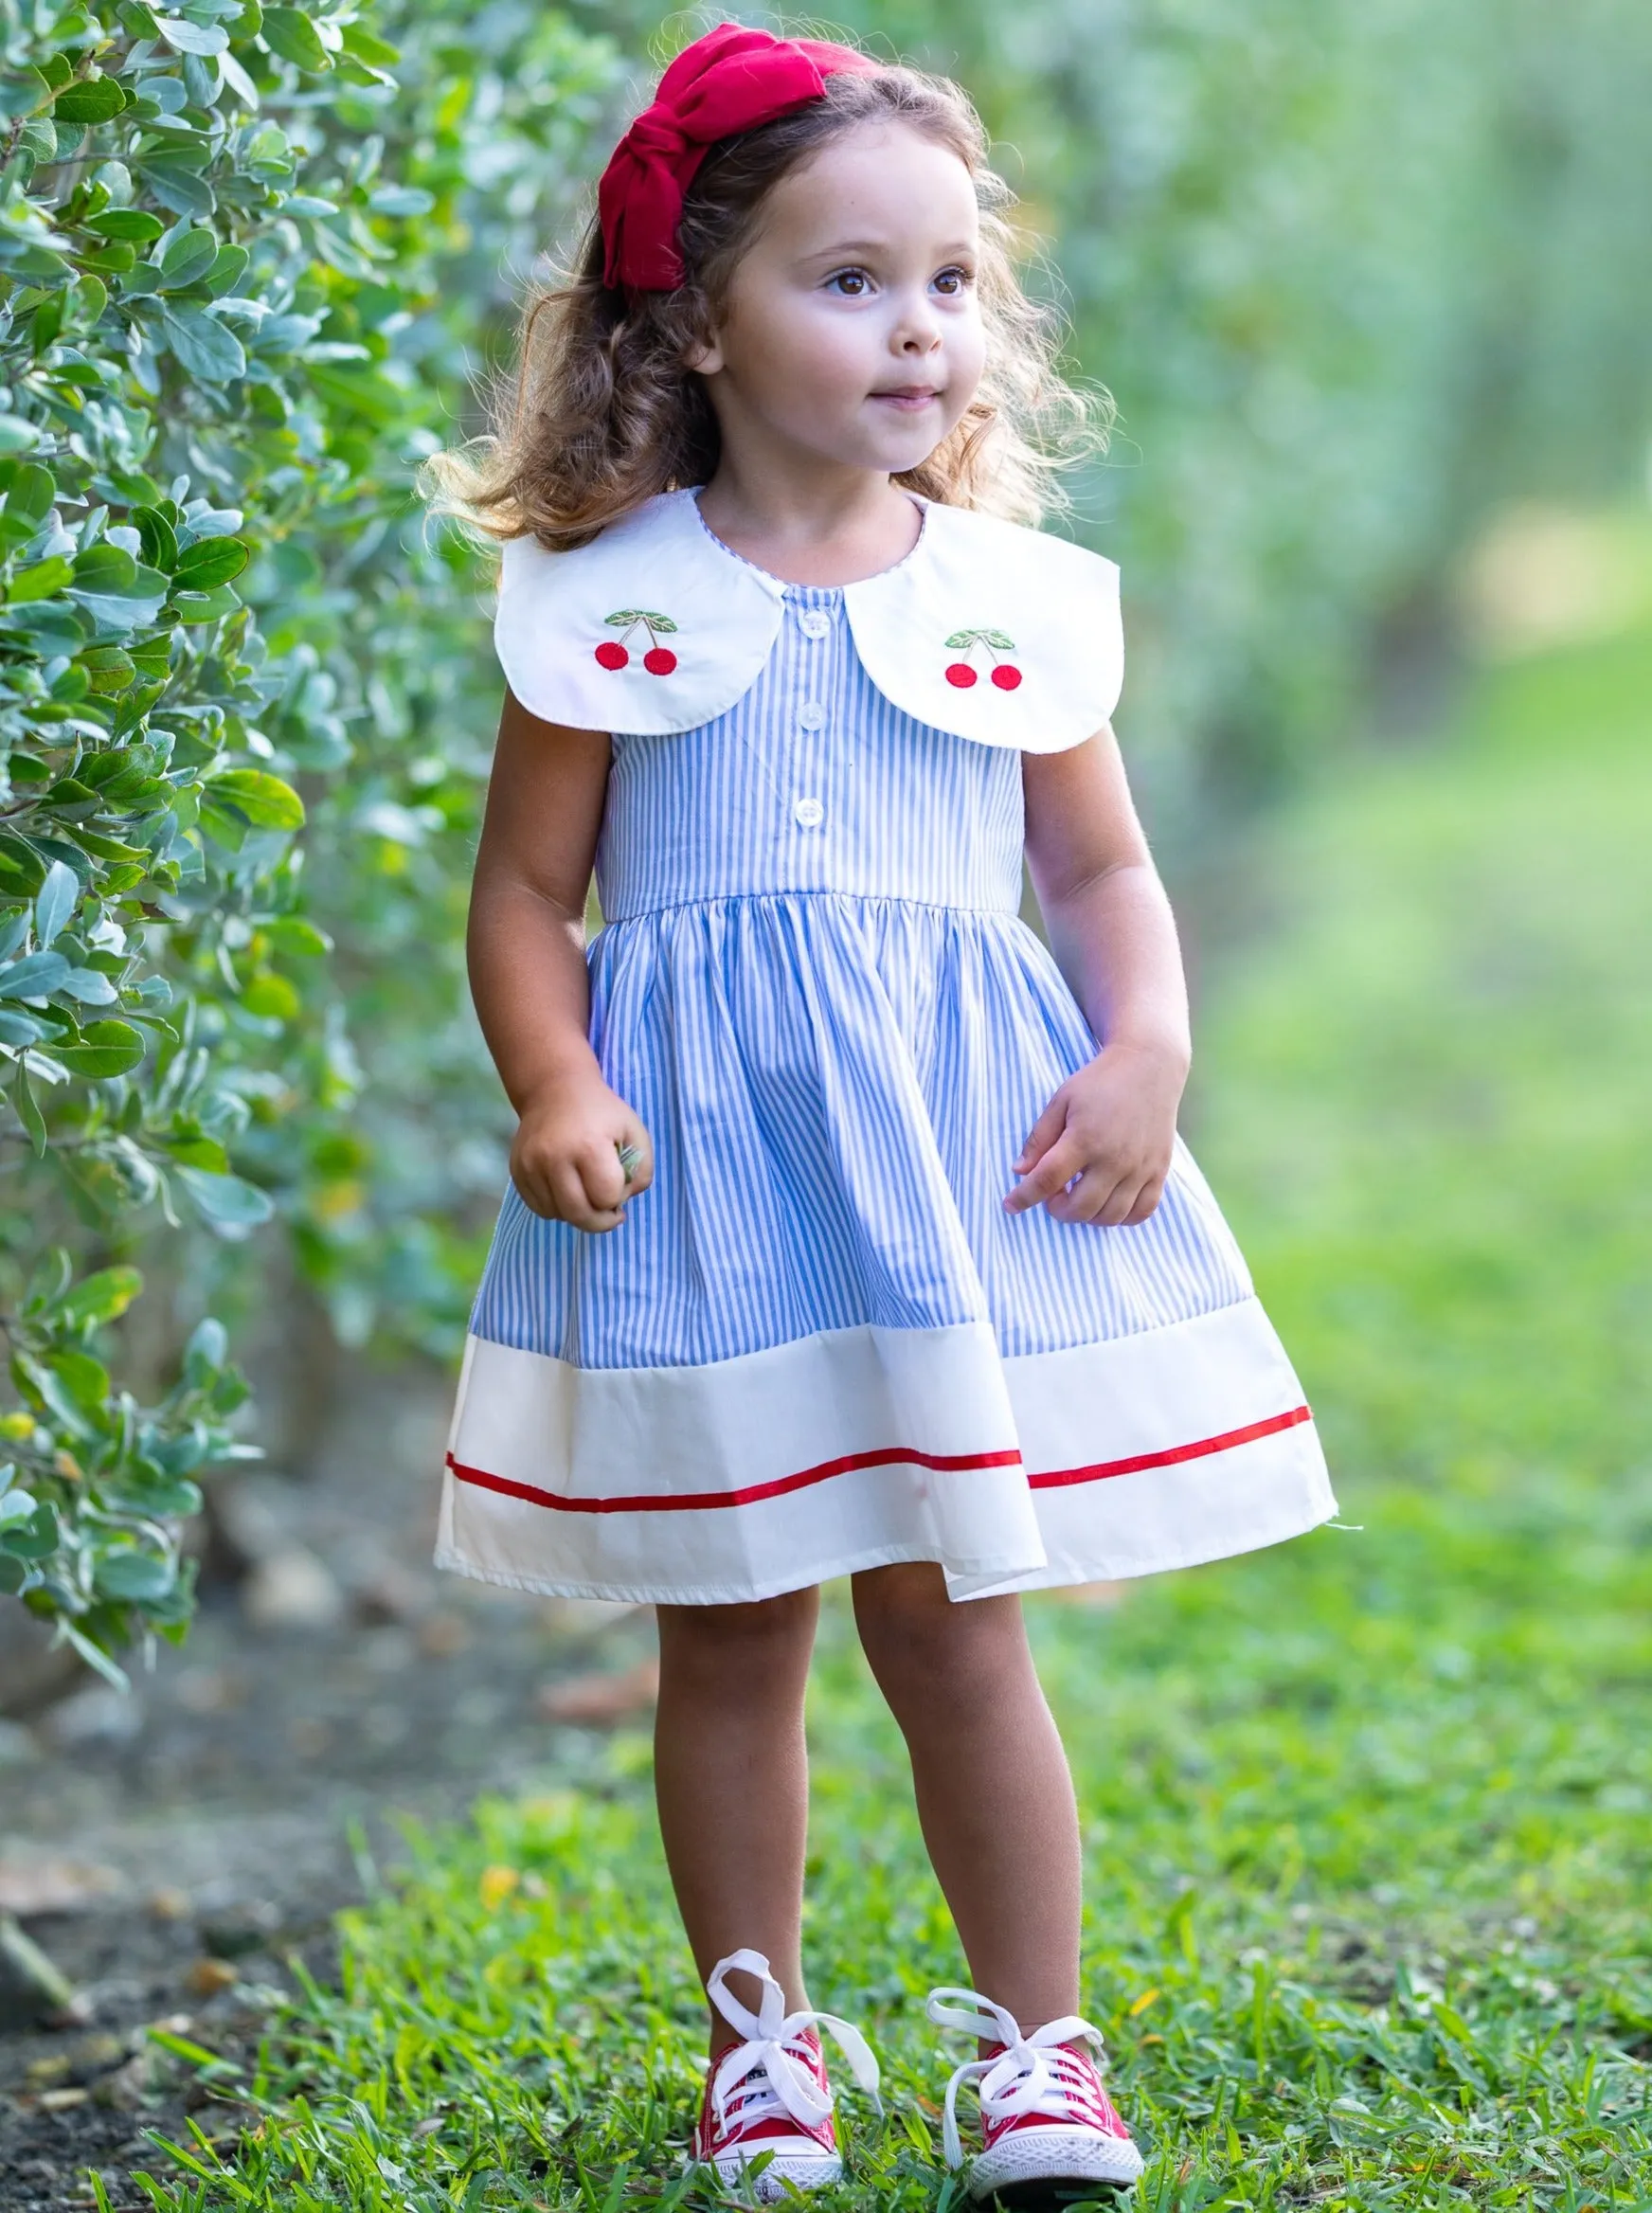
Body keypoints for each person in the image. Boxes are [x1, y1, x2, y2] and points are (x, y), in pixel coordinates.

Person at [426, 23, 1336, 2202]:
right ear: (698, 313)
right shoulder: (609, 600)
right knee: (729, 1623)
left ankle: (1039, 2049)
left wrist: (1143, 1047)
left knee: (953, 1618)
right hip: (704, 1180)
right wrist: (553, 1071)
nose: (914, 325)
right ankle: (764, 2044)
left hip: (946, 1171)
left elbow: (1096, 871)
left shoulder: (1009, 607)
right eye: (847, 279)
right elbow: (525, 894)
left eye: (948, 279)